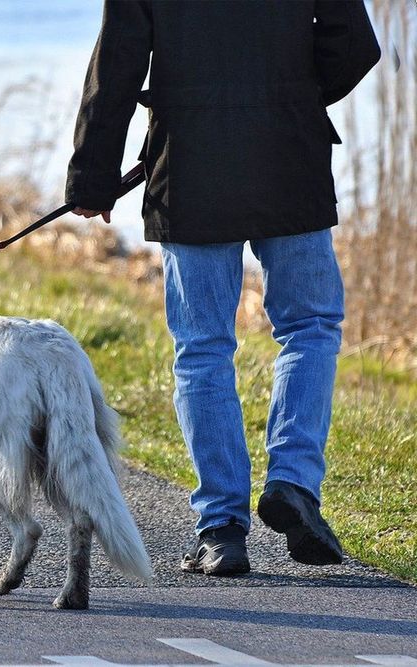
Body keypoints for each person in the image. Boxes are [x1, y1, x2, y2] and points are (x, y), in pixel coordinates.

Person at [66, 0, 380, 575]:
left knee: (203, 346)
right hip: (291, 157)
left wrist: (92, 173)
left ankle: (221, 529)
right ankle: (293, 483)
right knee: (310, 327)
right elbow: (356, 46)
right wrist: (293, 97)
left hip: (190, 168)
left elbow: (117, 63)